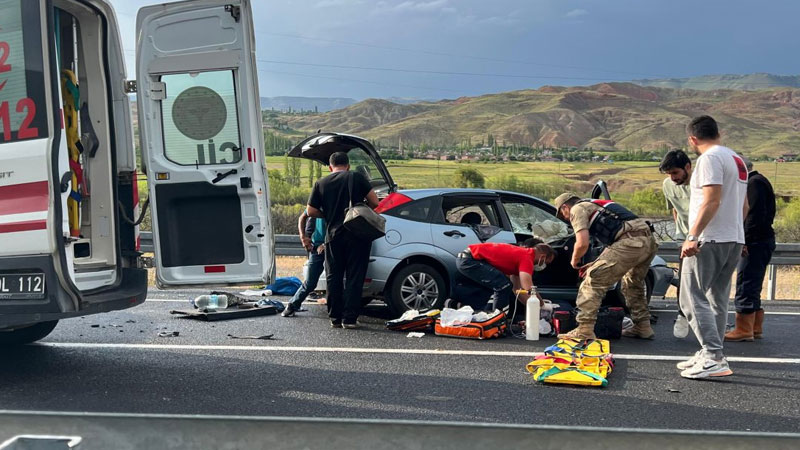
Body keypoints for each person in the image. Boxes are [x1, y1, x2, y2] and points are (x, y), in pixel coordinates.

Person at [677, 115, 748, 379]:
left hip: (710, 239)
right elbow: (744, 205)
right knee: (716, 298)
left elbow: (711, 200)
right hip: (733, 238)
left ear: (692, 139)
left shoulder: (709, 159)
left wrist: (692, 235)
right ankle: (712, 353)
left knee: (690, 296)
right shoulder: (736, 159)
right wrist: (736, 234)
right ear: (718, 132)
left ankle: (713, 356)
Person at [553, 194, 658, 340]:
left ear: (565, 207)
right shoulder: (597, 205)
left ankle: (584, 329)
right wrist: (597, 262)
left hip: (630, 243)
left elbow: (582, 243)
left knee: (593, 281)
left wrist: (574, 260)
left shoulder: (577, 209)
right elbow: (615, 242)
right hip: (648, 241)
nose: (565, 218)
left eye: (562, 214)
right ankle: (643, 326)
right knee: (632, 284)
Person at [307, 152, 379, 329]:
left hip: (333, 236)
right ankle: (350, 319)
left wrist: (329, 215)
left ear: (330, 167)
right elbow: (375, 202)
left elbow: (310, 211)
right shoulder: (356, 177)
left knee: (334, 276)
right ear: (347, 165)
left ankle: (335, 318)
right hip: (357, 234)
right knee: (355, 276)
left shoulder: (321, 183)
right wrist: (360, 210)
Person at [725, 156, 776, 341]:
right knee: (752, 284)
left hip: (755, 241)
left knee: (746, 282)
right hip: (761, 240)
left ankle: (744, 329)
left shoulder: (753, 183)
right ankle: (754, 327)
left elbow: (754, 216)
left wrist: (743, 240)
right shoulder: (759, 181)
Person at [455, 240, 556, 311]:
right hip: (470, 260)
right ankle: (496, 320)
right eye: (546, 262)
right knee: (503, 286)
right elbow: (529, 288)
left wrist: (535, 309)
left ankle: (494, 317)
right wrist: (542, 306)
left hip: (467, 259)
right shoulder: (527, 258)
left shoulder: (522, 256)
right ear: (542, 256)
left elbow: (518, 291)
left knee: (505, 285)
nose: (544, 265)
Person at [659, 149, 692, 338]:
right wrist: (683, 234)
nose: (672, 178)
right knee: (685, 278)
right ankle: (682, 314)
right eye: (669, 174)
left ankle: (710, 319)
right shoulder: (667, 185)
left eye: (675, 173)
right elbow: (675, 210)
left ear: (688, 167)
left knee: (706, 283)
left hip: (708, 238)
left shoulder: (701, 184)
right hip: (684, 238)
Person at [282, 211, 327, 317]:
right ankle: (292, 305)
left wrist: (326, 244)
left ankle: (338, 312)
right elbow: (303, 217)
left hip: (333, 245)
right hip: (316, 246)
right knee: (311, 282)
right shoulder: (317, 201)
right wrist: (303, 237)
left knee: (334, 281)